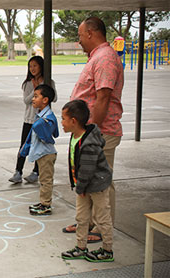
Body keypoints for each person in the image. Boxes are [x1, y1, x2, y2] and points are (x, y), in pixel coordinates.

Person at [63, 16, 124, 243]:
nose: (78, 41)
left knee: (101, 181)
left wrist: (93, 133)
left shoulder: (106, 58)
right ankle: (87, 223)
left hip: (100, 132)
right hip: (87, 132)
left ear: (90, 33)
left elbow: (103, 97)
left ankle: (100, 228)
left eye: (80, 36)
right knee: (87, 178)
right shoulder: (96, 57)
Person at [60, 100, 114, 262]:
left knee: (102, 218)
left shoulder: (89, 143)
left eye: (63, 119)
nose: (61, 122)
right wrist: (79, 185)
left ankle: (107, 250)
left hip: (96, 186)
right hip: (83, 186)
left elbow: (87, 170)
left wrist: (80, 187)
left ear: (73, 121)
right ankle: (80, 247)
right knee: (81, 218)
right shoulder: (75, 136)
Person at [9, 56, 57, 184]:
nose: (32, 69)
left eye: (35, 65)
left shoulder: (48, 81)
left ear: (41, 66)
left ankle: (36, 172)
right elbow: (26, 101)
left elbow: (55, 97)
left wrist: (43, 87)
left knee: (40, 145)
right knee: (24, 145)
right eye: (30, 66)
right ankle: (18, 171)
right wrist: (36, 90)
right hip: (29, 119)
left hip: (43, 120)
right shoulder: (27, 83)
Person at [19, 84, 58, 215]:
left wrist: (41, 126)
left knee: (46, 180)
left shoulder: (47, 118)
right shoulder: (40, 115)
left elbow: (50, 136)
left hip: (46, 153)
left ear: (45, 100)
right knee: (43, 179)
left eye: (36, 96)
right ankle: (43, 202)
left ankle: (46, 205)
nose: (33, 99)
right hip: (41, 153)